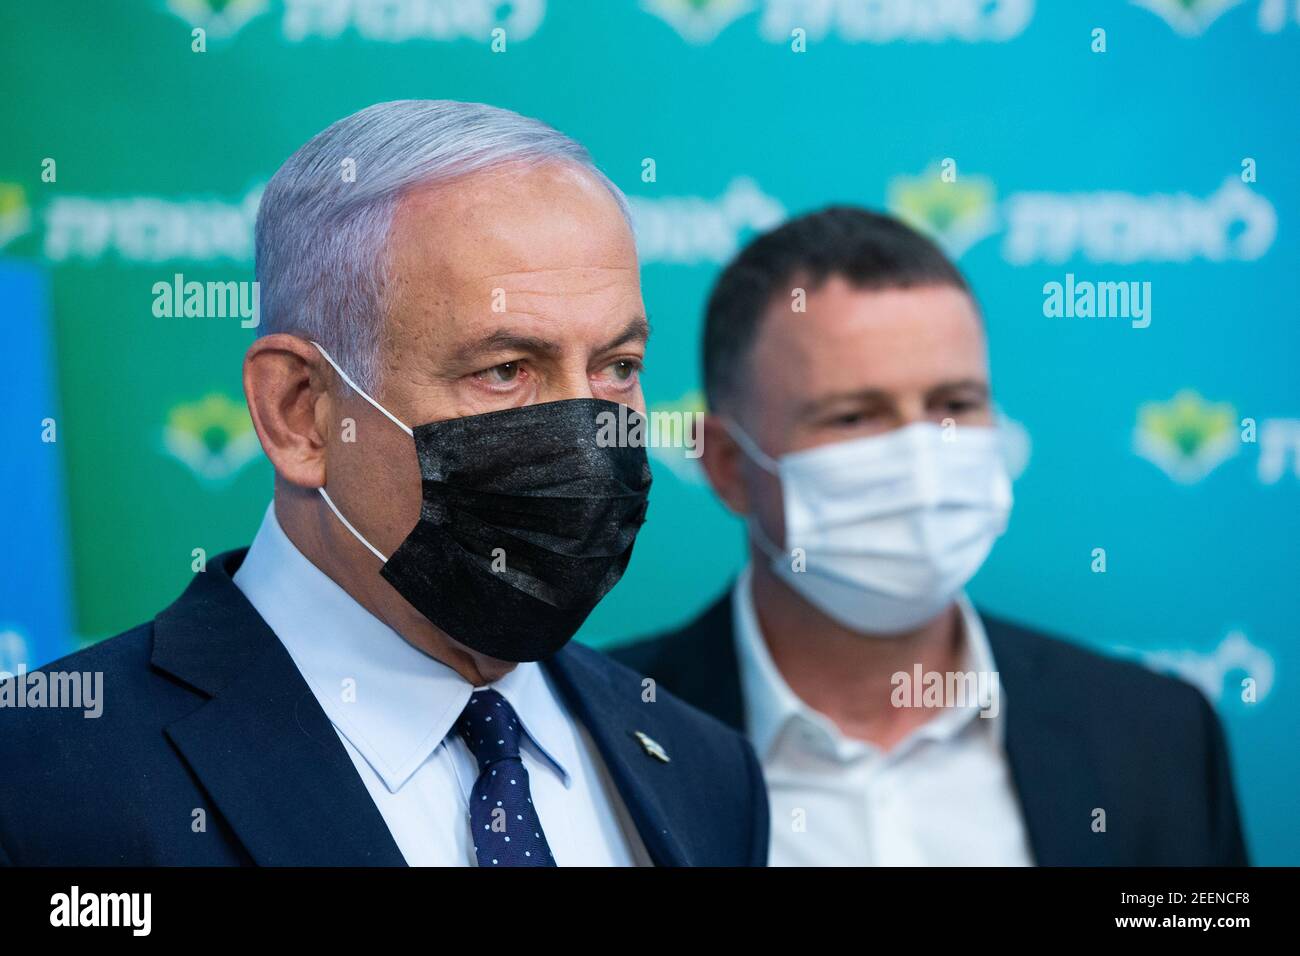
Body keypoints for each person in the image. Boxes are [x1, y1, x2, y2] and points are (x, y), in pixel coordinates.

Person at [0, 101, 767, 867]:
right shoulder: (45, 781)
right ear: (300, 412)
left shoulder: (705, 772)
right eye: (504, 371)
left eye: (617, 368)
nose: (587, 430)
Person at [613, 206, 1248, 866]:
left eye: (955, 405)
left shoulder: (1155, 736)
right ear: (727, 465)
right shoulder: (607, 733)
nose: (922, 455)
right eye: (855, 415)